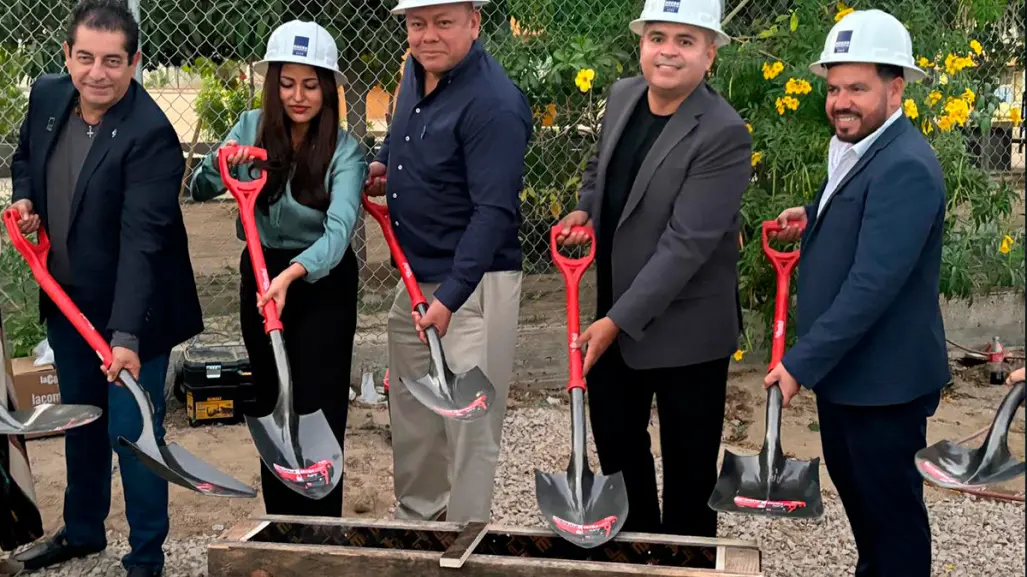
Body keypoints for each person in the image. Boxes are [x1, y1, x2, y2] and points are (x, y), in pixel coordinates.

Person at [6, 1, 204, 576]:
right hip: (69, 300)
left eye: (113, 61)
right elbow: (25, 158)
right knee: (79, 419)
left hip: (135, 310)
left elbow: (144, 245)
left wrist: (126, 337)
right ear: (67, 56)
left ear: (134, 62)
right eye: (86, 57)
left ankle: (146, 558)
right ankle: (85, 531)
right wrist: (26, 201)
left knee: (133, 432)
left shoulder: (151, 137)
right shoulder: (47, 97)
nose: (98, 72)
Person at [556, 0, 751, 537]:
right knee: (619, 455)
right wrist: (584, 209)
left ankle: (685, 563)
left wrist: (615, 321)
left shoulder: (723, 133)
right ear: (642, 44)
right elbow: (601, 169)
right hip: (614, 316)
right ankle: (635, 554)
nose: (667, 51)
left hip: (687, 331)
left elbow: (685, 247)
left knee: (689, 478)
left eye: (685, 41)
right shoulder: (623, 97)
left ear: (709, 54)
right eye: (657, 36)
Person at [765, 9, 948, 577]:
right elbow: (859, 208)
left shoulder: (908, 167)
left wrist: (799, 365)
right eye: (835, 86)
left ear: (896, 88)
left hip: (884, 387)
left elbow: (873, 284)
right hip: (854, 379)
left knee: (892, 525)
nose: (842, 100)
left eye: (859, 88)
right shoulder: (864, 145)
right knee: (869, 518)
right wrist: (815, 214)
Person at [188, 20, 366, 517]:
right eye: (287, 83)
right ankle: (281, 521)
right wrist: (218, 163)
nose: (298, 96)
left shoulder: (345, 149)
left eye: (311, 84)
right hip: (261, 274)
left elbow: (338, 232)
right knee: (272, 396)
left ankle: (321, 527)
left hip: (321, 282)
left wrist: (292, 275)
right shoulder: (249, 127)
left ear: (328, 88)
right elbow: (199, 190)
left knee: (320, 400)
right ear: (272, 83)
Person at [365, 0, 532, 523]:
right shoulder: (416, 73)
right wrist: (385, 161)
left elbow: (493, 213)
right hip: (417, 281)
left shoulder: (494, 104)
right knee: (414, 411)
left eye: (443, 22)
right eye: (418, 24)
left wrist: (452, 298)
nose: (428, 35)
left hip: (475, 285)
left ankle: (464, 537)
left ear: (474, 22)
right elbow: (404, 136)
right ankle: (420, 518)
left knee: (470, 424)